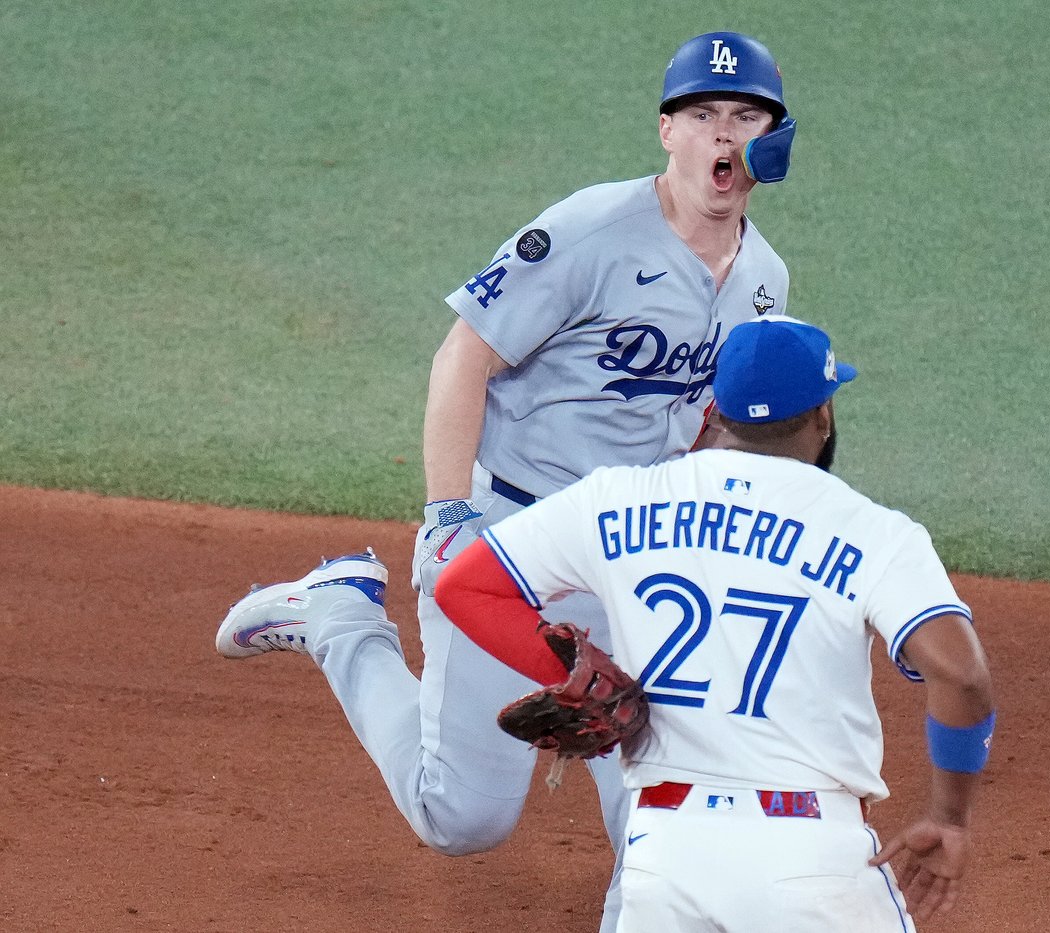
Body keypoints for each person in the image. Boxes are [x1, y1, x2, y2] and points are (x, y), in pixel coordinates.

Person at [215, 31, 796, 933]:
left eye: (746, 115)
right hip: (510, 540)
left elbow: (714, 421)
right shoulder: (591, 232)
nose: (725, 136)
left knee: (653, 803)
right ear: (667, 132)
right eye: (705, 115)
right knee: (462, 818)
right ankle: (337, 618)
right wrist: (449, 518)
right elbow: (464, 356)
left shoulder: (765, 281)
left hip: (635, 559)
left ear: (773, 135)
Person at [433, 316, 997, 931]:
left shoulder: (614, 499)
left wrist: (591, 681)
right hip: (809, 861)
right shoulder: (873, 531)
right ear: (824, 414)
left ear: (716, 409)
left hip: (664, 861)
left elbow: (465, 585)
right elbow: (960, 673)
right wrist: (949, 816)